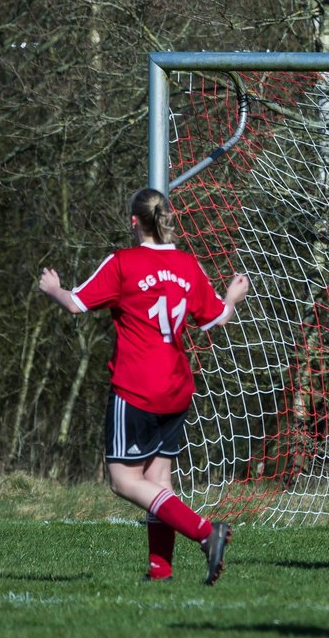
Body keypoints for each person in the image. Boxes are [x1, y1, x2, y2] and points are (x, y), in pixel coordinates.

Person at [37, 188, 249, 584]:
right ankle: (160, 571)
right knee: (158, 481)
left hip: (137, 388)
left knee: (123, 480)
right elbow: (215, 318)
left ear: (134, 221)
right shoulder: (188, 265)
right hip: (176, 387)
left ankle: (206, 532)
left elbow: (75, 303)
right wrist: (231, 298)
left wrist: (52, 288)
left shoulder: (123, 263)